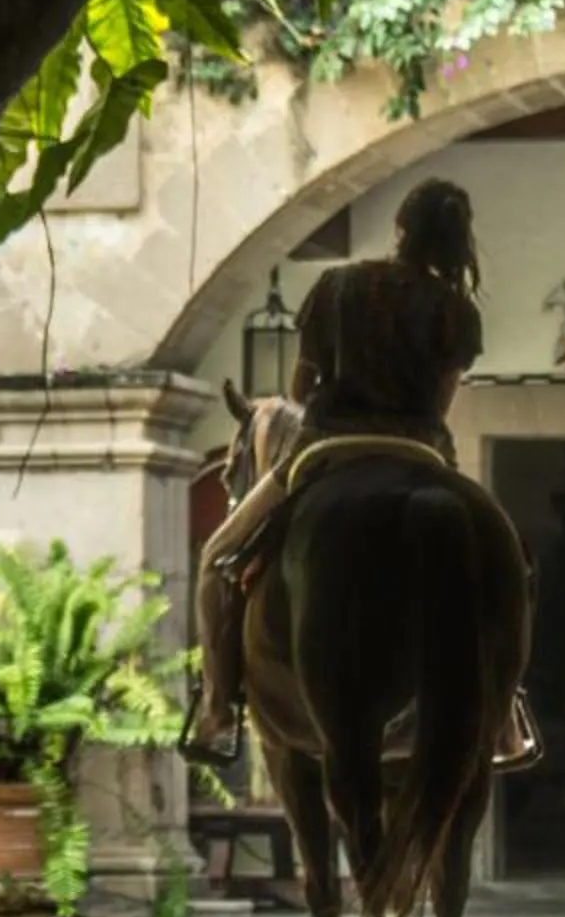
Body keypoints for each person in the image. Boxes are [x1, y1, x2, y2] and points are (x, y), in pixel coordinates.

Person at [181, 175, 541, 772]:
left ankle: (217, 708)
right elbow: (441, 403)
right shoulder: (456, 311)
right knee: (511, 567)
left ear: (400, 228)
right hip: (421, 452)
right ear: (459, 240)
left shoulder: (338, 286)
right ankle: (503, 716)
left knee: (218, 558)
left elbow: (302, 389)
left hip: (327, 449)